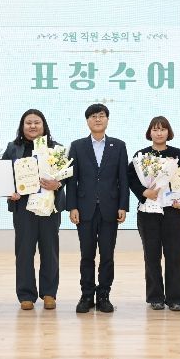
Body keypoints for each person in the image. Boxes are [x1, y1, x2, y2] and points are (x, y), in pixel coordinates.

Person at [66, 103, 129, 313]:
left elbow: (123, 178)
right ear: (87, 121)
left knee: (107, 255)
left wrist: (123, 205)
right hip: (84, 209)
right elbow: (72, 180)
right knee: (87, 254)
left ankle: (104, 295)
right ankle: (86, 295)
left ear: (107, 119)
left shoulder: (118, 146)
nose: (98, 119)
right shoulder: (77, 146)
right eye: (93, 116)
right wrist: (72, 207)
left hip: (110, 209)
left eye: (101, 115)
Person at [2, 109, 64, 311]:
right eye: (28, 122)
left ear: (44, 126)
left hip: (49, 207)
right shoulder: (13, 148)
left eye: (37, 122)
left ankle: (49, 293)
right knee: (24, 252)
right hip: (23, 207)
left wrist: (58, 184)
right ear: (22, 126)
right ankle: (26, 294)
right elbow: (2, 174)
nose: (33, 126)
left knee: (50, 250)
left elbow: (67, 176)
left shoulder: (56, 148)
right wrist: (9, 191)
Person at [128, 116, 180, 312]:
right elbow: (130, 178)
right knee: (151, 256)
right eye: (155, 129)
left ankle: (175, 298)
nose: (159, 133)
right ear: (149, 133)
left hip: (173, 213)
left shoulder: (178, 154)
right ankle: (155, 297)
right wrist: (144, 192)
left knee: (174, 256)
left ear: (168, 132)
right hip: (148, 213)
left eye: (163, 129)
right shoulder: (141, 155)